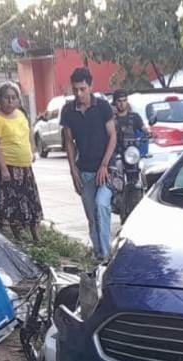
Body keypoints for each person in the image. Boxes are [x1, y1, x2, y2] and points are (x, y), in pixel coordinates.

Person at [60, 68, 117, 261]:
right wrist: (72, 170)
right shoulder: (68, 110)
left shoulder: (102, 107)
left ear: (91, 87)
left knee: (102, 207)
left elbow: (113, 136)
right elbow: (69, 142)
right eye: (75, 89)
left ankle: (106, 255)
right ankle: (99, 253)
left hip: (106, 171)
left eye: (83, 89)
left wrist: (104, 165)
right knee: (92, 218)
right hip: (84, 172)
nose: (79, 94)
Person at [0, 82, 43, 242]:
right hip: (9, 168)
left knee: (31, 201)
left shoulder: (21, 114)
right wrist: (3, 168)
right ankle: (18, 238)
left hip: (25, 167)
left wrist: (32, 149)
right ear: (0, 99)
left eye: (14, 98)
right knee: (13, 204)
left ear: (18, 100)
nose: (10, 101)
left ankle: (36, 236)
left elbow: (28, 133)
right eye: (6, 98)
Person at [111, 89, 146, 153]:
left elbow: (143, 128)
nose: (122, 104)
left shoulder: (135, 116)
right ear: (114, 102)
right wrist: (111, 115)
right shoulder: (110, 118)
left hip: (131, 153)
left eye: (124, 100)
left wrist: (149, 133)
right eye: (119, 101)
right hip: (115, 153)